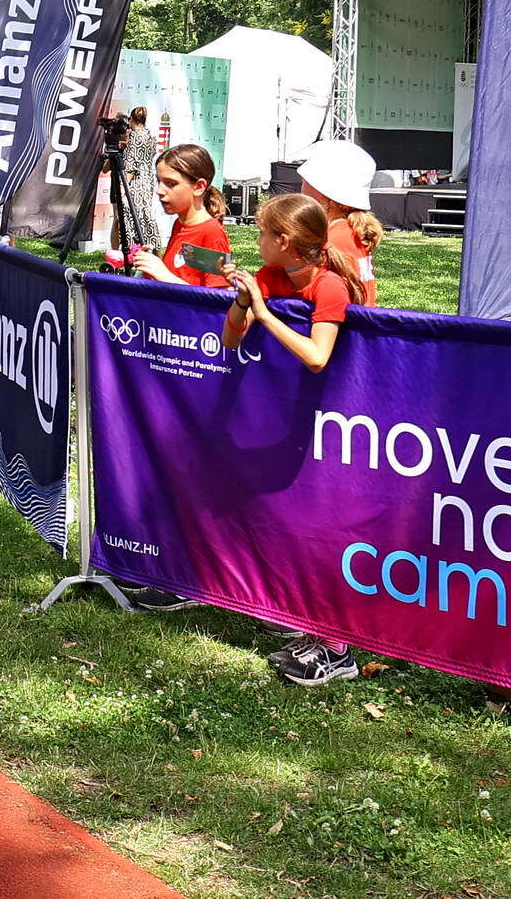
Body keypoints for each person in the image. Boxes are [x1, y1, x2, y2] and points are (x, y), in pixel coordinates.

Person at [221, 192, 365, 686]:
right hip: (289, 424)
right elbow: (230, 340)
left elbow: (318, 357)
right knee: (291, 525)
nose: (256, 240)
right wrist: (244, 302)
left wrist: (265, 314)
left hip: (340, 425)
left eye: (263, 233)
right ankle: (311, 628)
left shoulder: (329, 285)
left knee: (328, 531)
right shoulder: (271, 276)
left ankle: (339, 649)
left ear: (284, 241)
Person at [131, 144, 232, 287]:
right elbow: (180, 278)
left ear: (199, 187)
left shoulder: (212, 233)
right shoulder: (179, 224)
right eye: (159, 181)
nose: (159, 190)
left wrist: (162, 273)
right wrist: (152, 267)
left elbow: (219, 296)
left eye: (170, 183)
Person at [298, 139, 382, 306]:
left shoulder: (332, 239)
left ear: (326, 193)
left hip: (340, 322)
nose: (302, 187)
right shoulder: (349, 229)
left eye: (306, 181)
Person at [121, 106, 161, 248]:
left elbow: (131, 166)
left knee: (131, 217)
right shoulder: (151, 136)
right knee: (146, 215)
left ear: (131, 119)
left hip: (135, 183)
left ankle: (133, 250)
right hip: (147, 179)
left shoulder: (134, 137)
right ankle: (154, 247)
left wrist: (122, 188)